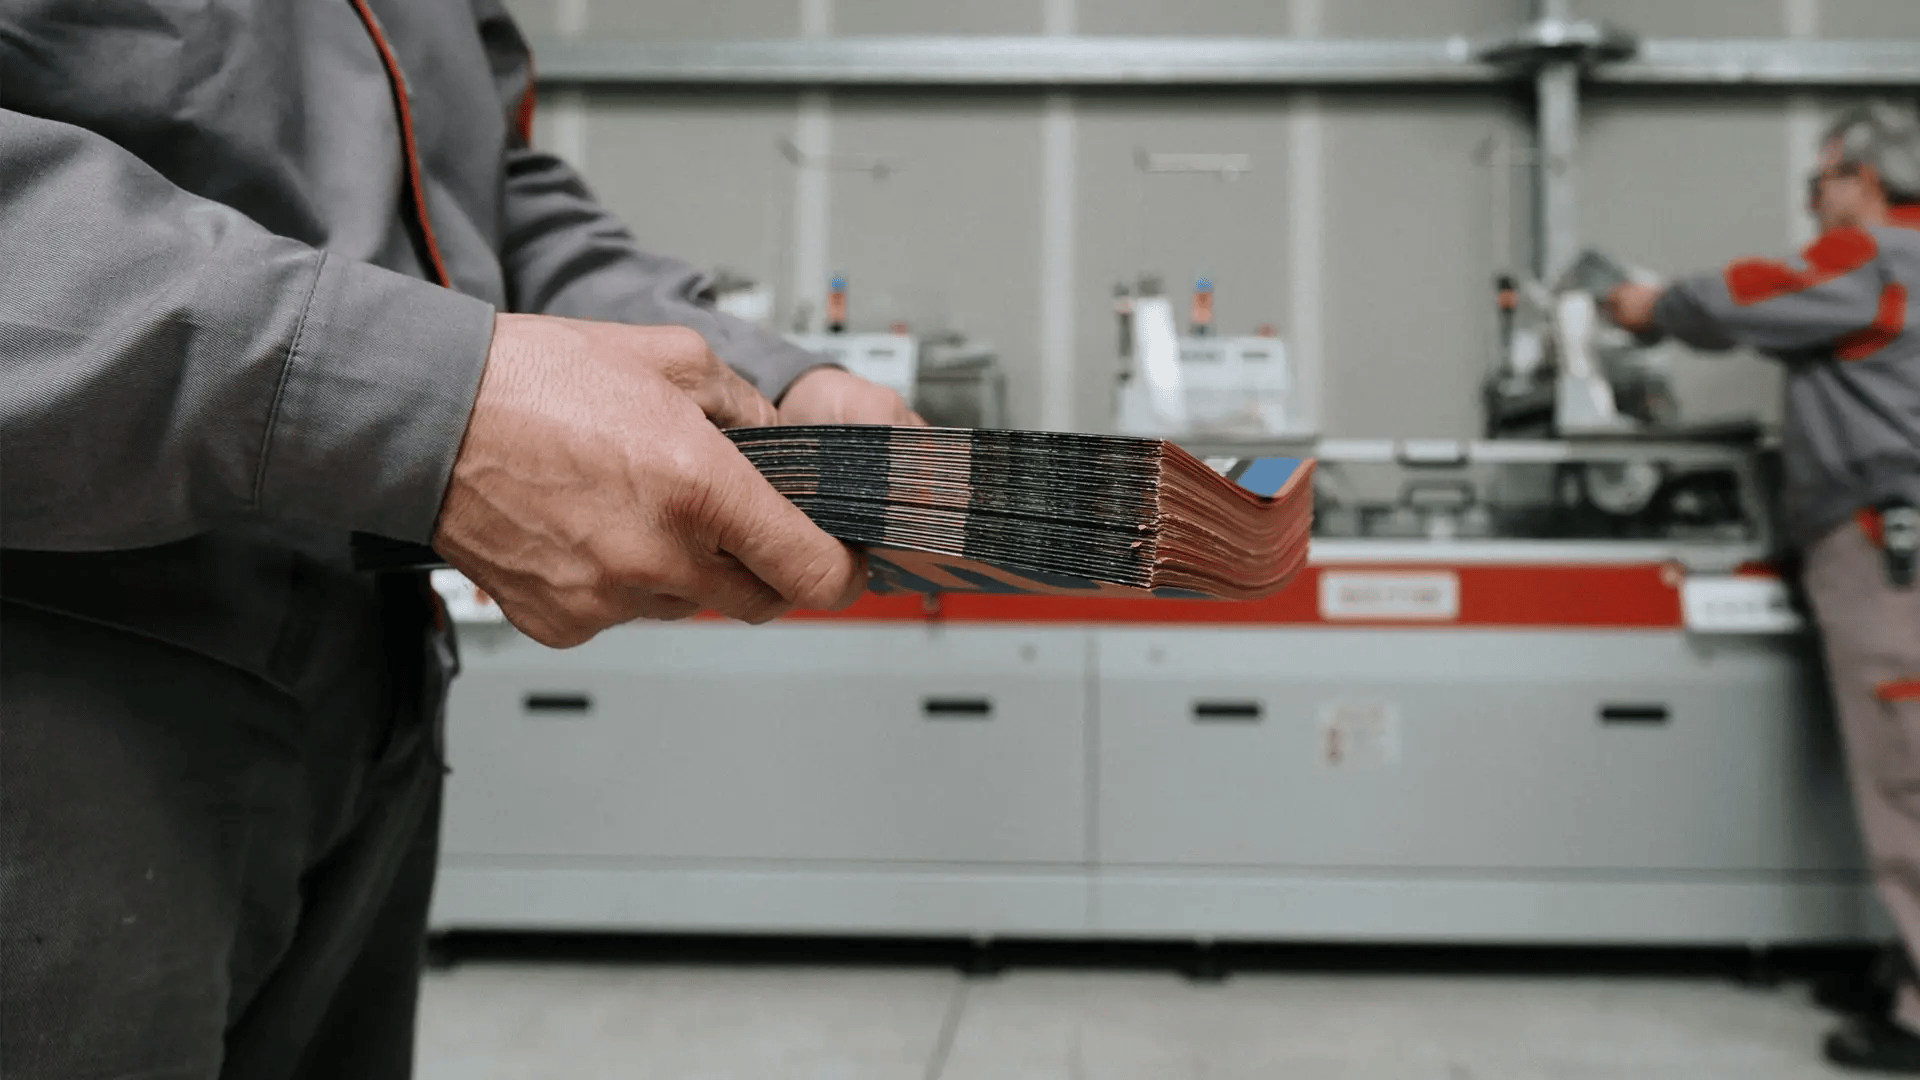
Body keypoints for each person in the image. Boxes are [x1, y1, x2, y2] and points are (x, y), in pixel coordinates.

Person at [0, 2, 920, 1077]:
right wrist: (421, 394)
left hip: (364, 670)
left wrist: (748, 388)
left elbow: (478, 192)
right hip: (64, 676)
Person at [1605, 102, 1920, 1073]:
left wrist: (1649, 306)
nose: (1810, 204)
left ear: (1861, 183)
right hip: (1882, 541)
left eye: (1817, 183)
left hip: (1889, 552)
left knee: (1905, 771)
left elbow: (1741, 296)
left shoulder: (1873, 256)